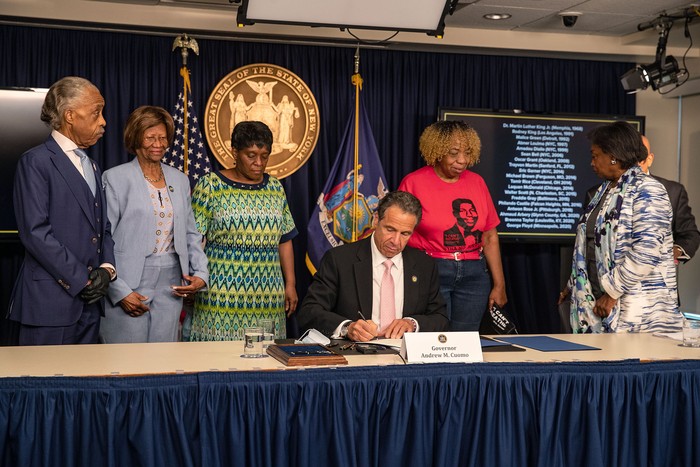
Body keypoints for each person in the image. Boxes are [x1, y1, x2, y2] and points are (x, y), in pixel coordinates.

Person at [8, 76, 116, 345]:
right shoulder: (35, 162)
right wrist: (83, 280)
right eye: (96, 112)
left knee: (84, 386)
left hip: (90, 306)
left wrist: (106, 269)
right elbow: (35, 233)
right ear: (70, 115)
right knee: (43, 385)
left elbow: (103, 229)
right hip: (49, 307)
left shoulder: (92, 165)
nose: (103, 121)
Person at [99, 106, 208, 343]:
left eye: (162, 137)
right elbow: (103, 239)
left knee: (164, 358)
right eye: (150, 137)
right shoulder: (114, 178)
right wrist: (118, 291)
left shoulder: (179, 179)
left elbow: (191, 233)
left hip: (171, 283)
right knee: (125, 359)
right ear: (136, 139)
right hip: (128, 280)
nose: (158, 143)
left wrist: (201, 273)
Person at [559, 121, 681, 333]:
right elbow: (593, 244)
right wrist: (575, 282)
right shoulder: (605, 190)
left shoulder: (648, 190)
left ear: (613, 156)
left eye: (595, 155)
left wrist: (612, 293)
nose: (592, 162)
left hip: (636, 310)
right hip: (598, 301)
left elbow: (646, 251)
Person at [189, 121, 297, 340]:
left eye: (264, 156)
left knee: (263, 362)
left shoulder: (275, 188)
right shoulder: (211, 186)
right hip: (220, 296)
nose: (259, 163)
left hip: (268, 296)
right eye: (251, 155)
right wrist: (194, 279)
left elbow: (284, 239)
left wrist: (290, 284)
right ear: (234, 152)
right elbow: (193, 240)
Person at [398, 120, 507, 331]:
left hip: (474, 273)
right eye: (454, 153)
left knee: (465, 341)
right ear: (437, 151)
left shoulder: (477, 182)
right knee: (434, 338)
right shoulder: (413, 183)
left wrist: (499, 285)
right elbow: (399, 232)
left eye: (467, 153)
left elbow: (490, 237)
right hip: (431, 270)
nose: (462, 160)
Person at [297, 191, 448, 341]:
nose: (396, 241)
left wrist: (413, 324)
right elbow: (309, 312)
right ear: (376, 220)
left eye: (405, 234)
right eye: (390, 230)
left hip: (406, 356)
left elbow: (440, 318)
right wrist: (347, 328)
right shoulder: (339, 260)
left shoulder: (424, 265)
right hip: (356, 354)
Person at [585, 135, 700, 264]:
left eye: (639, 157)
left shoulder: (671, 191)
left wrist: (673, 251)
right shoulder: (596, 193)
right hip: (600, 276)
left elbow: (689, 234)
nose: (634, 163)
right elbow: (587, 242)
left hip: (646, 276)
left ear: (649, 159)